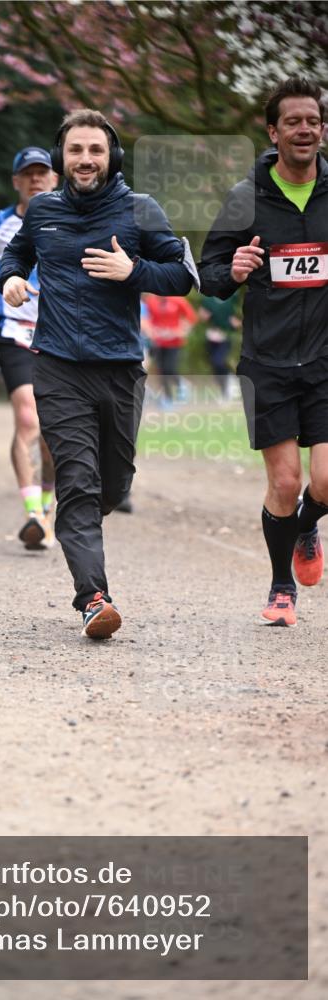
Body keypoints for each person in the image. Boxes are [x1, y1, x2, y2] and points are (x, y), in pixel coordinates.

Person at [0, 109, 196, 639]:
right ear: (61, 158)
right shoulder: (42, 210)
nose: (85, 159)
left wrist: (135, 271)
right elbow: (14, 256)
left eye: (96, 150)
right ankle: (93, 599)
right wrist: (10, 279)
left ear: (113, 157)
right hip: (58, 366)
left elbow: (182, 276)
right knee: (78, 482)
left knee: (113, 483)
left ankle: (79, 521)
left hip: (120, 368)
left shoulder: (140, 210)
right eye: (76, 150)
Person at [199, 75, 327, 626]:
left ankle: (304, 525)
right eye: (293, 121)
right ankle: (281, 588)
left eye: (313, 121)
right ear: (273, 132)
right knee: (285, 482)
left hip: (325, 360)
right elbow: (208, 275)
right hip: (267, 362)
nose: (304, 130)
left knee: (326, 482)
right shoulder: (245, 198)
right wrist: (232, 270)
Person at [0, 147, 57, 549]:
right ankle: (32, 513)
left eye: (42, 172)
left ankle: (47, 508)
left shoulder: (71, 218)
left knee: (52, 432)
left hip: (59, 334)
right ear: (16, 181)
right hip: (14, 331)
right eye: (28, 174)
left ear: (55, 178)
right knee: (27, 418)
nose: (35, 179)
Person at [144, 293, 197, 407]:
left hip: (174, 342)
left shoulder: (177, 300)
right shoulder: (150, 301)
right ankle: (167, 399)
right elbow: (146, 319)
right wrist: (153, 331)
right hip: (158, 342)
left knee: (169, 368)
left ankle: (181, 384)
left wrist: (181, 331)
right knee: (161, 371)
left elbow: (191, 317)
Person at [198, 293, 241, 400]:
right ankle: (224, 392)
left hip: (225, 336)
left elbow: (238, 316)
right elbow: (202, 316)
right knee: (215, 365)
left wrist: (236, 321)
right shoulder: (208, 299)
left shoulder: (232, 296)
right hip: (212, 337)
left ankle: (230, 379)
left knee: (219, 361)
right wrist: (204, 315)